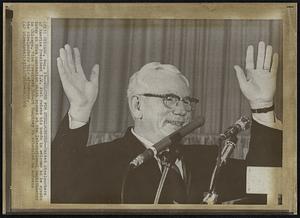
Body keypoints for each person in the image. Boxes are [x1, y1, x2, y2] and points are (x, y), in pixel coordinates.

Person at [51, 41, 282, 204]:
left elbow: (266, 189)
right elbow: (57, 192)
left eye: (187, 101)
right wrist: (80, 109)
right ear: (137, 106)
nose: (182, 110)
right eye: (169, 99)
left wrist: (262, 106)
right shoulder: (100, 161)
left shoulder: (212, 162)